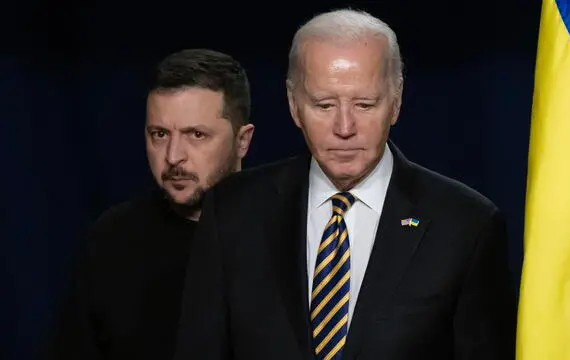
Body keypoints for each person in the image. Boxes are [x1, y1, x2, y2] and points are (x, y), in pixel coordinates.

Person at [174, 9, 516, 360]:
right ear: (294, 105)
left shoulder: (465, 226)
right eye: (323, 105)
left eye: (365, 105)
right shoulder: (233, 211)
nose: (344, 127)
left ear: (396, 103)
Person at [46, 49, 255, 360]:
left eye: (196, 135)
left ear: (242, 141)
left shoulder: (284, 234)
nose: (173, 156)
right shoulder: (112, 240)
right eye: (159, 134)